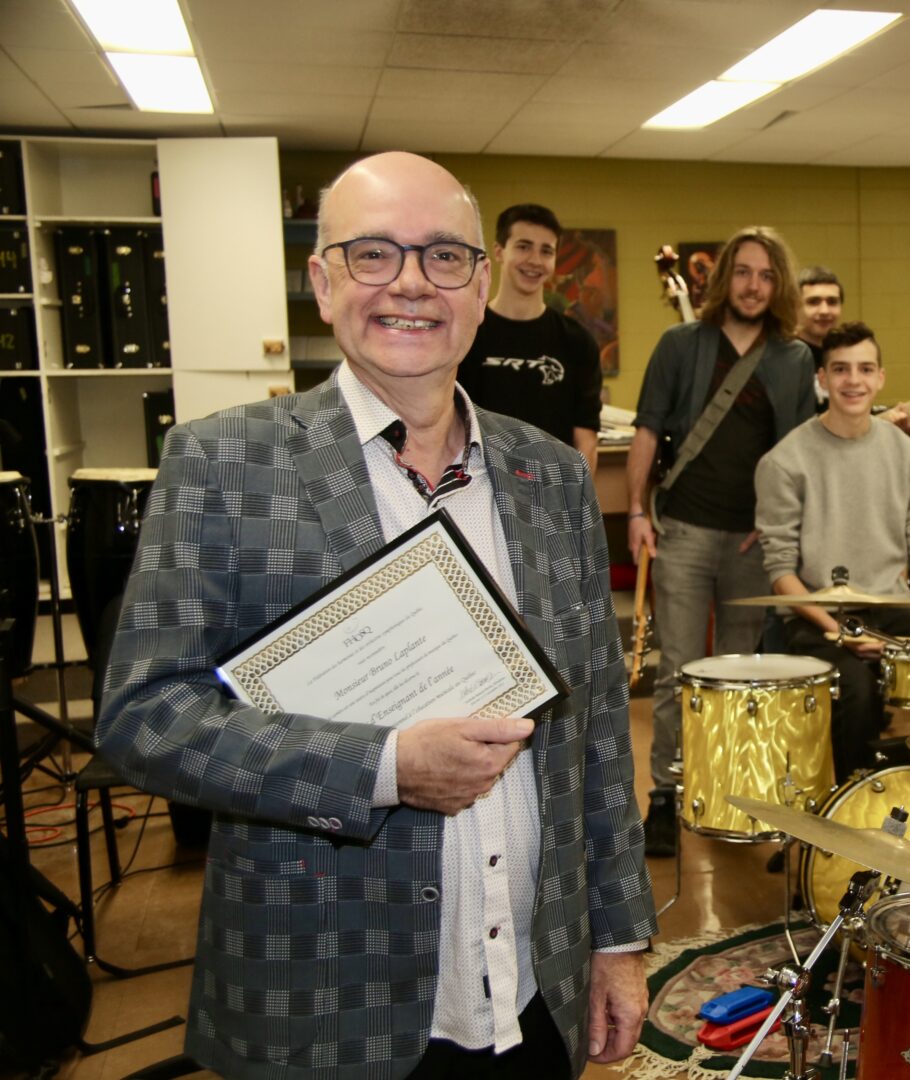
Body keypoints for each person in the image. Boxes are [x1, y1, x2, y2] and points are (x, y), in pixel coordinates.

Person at [96, 152, 656, 1079]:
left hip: (531, 988)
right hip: (328, 1002)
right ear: (321, 283)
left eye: (443, 257)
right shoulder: (224, 465)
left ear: (480, 288)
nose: (409, 283)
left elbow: (598, 725)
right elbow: (144, 717)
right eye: (372, 255)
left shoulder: (551, 477)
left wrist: (619, 937)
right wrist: (385, 769)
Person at [626, 226, 817, 856]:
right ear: (722, 279)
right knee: (679, 668)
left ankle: (726, 792)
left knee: (737, 673)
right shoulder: (681, 344)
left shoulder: (793, 358)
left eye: (766, 275)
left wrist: (778, 524)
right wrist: (635, 510)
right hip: (682, 527)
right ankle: (663, 795)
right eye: (743, 272)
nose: (754, 286)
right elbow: (648, 431)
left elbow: (796, 450)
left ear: (779, 284)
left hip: (750, 541)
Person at [755, 322, 910, 780]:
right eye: (840, 369)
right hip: (819, 615)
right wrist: (839, 632)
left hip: (890, 603)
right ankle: (851, 801)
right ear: (822, 379)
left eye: (865, 369)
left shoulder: (905, 453)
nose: (853, 380)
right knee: (857, 692)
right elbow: (781, 573)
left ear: (881, 377)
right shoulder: (783, 462)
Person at [457, 202, 604, 473]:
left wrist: (581, 508)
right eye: (524, 246)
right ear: (499, 252)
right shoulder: (466, 333)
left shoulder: (577, 342)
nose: (535, 260)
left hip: (552, 494)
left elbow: (586, 440)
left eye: (546, 251)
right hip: (478, 489)